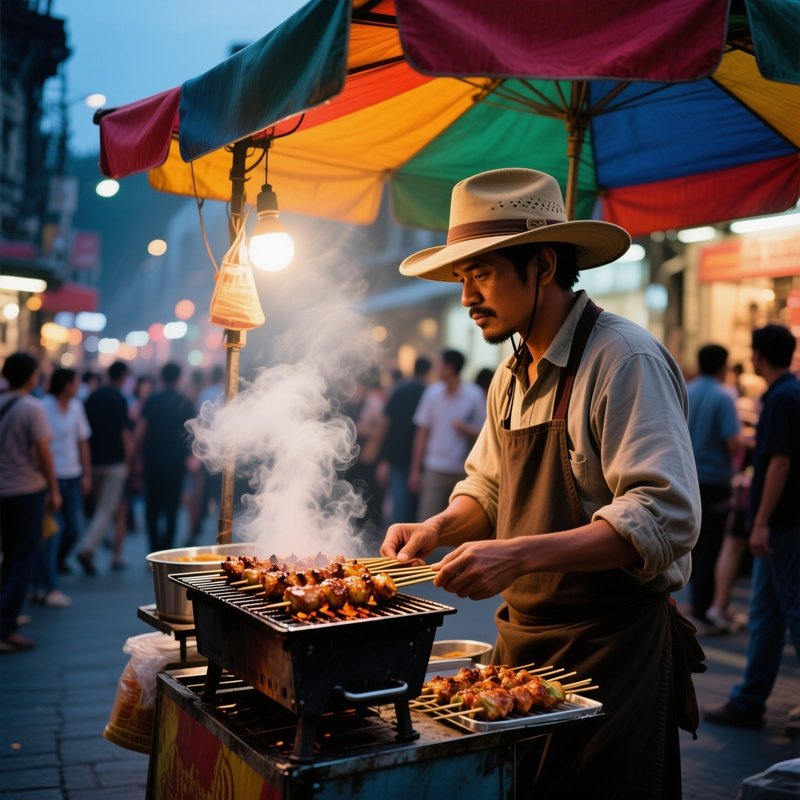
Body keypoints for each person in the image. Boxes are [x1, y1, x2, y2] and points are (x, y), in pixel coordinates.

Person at [381, 168, 704, 798]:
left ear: (544, 264)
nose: (468, 295)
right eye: (462, 278)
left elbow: (664, 515)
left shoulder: (623, 359)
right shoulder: (509, 376)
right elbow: (489, 490)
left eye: (484, 273)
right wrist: (438, 528)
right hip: (523, 651)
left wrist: (519, 553)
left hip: (613, 654)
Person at [705, 324, 800, 731]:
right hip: (781, 521)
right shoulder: (790, 393)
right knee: (765, 614)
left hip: (781, 524)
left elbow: (779, 462)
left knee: (794, 612)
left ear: (759, 355)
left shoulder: (780, 398)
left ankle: (748, 700)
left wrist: (759, 522)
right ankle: (748, 700)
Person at [0, 352, 61, 652]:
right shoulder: (32, 407)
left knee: (7, 557)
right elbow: (44, 452)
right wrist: (54, 488)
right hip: (26, 491)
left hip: (3, 492)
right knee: (23, 560)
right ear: (30, 376)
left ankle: (4, 618)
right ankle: (6, 628)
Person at [685, 344, 742, 631]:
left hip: (688, 477)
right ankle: (705, 608)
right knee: (712, 546)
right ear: (723, 366)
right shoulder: (723, 396)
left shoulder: (687, 390)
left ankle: (696, 602)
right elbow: (732, 442)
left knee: (693, 544)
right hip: (715, 480)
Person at [34, 368, 92, 606]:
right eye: (75, 382)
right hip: (50, 476)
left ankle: (51, 570)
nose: (77, 386)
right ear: (66, 384)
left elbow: (82, 441)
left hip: (72, 473)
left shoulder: (77, 407)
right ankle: (49, 585)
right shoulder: (43, 406)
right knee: (51, 531)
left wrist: (86, 472)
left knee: (72, 529)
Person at [409, 349, 486, 522]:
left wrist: (465, 428)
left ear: (450, 368)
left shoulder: (474, 395)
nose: (436, 368)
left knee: (458, 524)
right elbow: (422, 432)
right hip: (434, 468)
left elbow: (484, 435)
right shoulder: (432, 393)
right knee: (427, 522)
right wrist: (415, 470)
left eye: (440, 364)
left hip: (463, 471)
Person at [77, 360, 132, 575]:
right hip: (114, 461)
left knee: (100, 507)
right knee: (105, 509)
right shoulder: (120, 399)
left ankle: (102, 546)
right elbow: (124, 433)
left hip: (93, 460)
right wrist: (129, 460)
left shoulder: (92, 397)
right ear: (123, 377)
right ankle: (88, 548)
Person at [136, 362, 196, 553]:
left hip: (152, 460)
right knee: (172, 508)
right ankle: (166, 551)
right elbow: (192, 433)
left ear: (162, 377)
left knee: (152, 508)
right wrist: (191, 456)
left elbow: (141, 430)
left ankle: (154, 549)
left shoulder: (152, 400)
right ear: (179, 378)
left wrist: (134, 459)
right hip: (176, 463)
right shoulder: (185, 402)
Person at [375, 356, 432, 525]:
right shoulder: (430, 392)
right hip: (422, 456)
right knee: (416, 504)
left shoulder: (399, 390)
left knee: (399, 504)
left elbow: (386, 424)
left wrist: (383, 457)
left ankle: (396, 543)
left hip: (397, 454)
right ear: (428, 371)